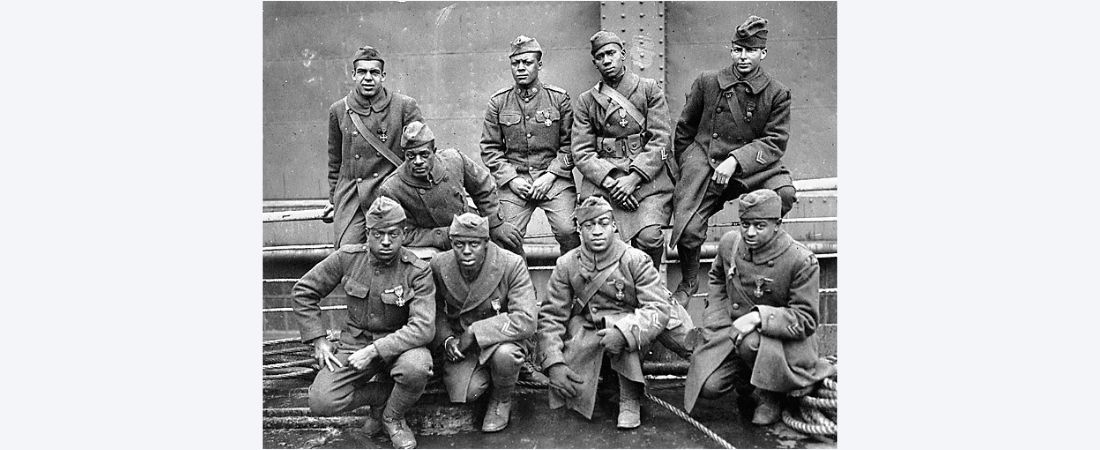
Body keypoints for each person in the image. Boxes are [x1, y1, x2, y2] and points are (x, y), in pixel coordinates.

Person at [668, 16, 797, 307]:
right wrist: (690, 165)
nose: (742, 57)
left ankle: (757, 262)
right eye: (737, 50)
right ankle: (689, 280)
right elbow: (684, 130)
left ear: (763, 53)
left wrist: (735, 161)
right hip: (707, 161)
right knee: (688, 229)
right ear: (731, 50)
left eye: (750, 51)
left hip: (753, 167)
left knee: (783, 194)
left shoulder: (776, 93)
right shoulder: (707, 82)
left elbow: (775, 141)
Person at [292, 196, 435, 449]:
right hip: (353, 345)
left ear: (404, 233)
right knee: (321, 401)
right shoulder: (348, 258)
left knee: (417, 367)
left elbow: (423, 328)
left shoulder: (417, 270)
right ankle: (381, 399)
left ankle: (393, 418)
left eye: (393, 234)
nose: (386, 241)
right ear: (368, 233)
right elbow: (304, 291)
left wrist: (375, 350)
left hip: (399, 348)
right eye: (378, 234)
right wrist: (319, 340)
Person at [683, 189, 835, 425]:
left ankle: (770, 396)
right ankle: (749, 384)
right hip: (733, 332)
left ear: (777, 224)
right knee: (709, 387)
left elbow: (805, 319)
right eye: (745, 224)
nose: (750, 232)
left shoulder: (800, 260)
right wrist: (716, 317)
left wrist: (758, 318)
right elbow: (716, 277)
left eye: (759, 225)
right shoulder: (730, 244)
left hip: (782, 342)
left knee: (750, 342)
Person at [536, 196, 671, 429]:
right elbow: (551, 316)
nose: (597, 231)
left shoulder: (635, 259)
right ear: (579, 230)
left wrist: (623, 333)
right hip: (588, 331)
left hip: (631, 329)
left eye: (603, 223)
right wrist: (554, 363)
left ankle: (630, 398)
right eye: (589, 225)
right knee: (572, 396)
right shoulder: (567, 263)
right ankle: (604, 386)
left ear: (614, 226)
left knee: (622, 327)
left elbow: (658, 308)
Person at [570, 30, 675, 267]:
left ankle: (649, 286)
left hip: (647, 180)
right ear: (594, 62)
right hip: (605, 183)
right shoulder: (587, 101)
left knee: (650, 238)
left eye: (611, 53)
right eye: (600, 56)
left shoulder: (649, 89)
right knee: (596, 238)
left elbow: (661, 140)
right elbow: (581, 151)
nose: (607, 60)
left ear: (622, 54)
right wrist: (613, 183)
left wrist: (633, 180)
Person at [429, 213, 538, 433]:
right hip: (463, 347)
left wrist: (476, 331)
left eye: (474, 244)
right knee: (469, 393)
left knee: (505, 356)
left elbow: (526, 319)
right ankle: (492, 377)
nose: (466, 251)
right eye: (459, 244)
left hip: (503, 340)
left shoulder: (510, 263)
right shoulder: (440, 264)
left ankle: (501, 399)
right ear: (452, 243)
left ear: (486, 243)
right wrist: (447, 339)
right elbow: (434, 311)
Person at [480, 35, 580, 255]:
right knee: (506, 236)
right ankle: (520, 287)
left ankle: (571, 286)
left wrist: (551, 175)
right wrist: (512, 179)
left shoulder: (559, 99)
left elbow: (571, 145)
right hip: (516, 181)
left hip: (554, 180)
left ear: (539, 65)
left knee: (568, 230)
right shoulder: (498, 102)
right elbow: (490, 149)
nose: (521, 68)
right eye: (516, 63)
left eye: (527, 62)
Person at [322, 45, 424, 247]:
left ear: (383, 76)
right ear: (353, 75)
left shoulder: (404, 106)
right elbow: (335, 162)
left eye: (374, 72)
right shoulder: (339, 110)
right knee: (347, 253)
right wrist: (334, 199)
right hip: (353, 198)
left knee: (392, 249)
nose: (368, 77)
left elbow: (422, 151)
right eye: (362, 72)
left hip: (392, 194)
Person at [377, 121, 524, 255]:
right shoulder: (392, 189)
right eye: (411, 156)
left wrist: (494, 223)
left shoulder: (454, 160)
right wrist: (444, 235)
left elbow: (483, 187)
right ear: (404, 155)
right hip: (435, 242)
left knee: (509, 242)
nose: (418, 161)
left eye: (424, 154)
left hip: (469, 227)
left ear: (434, 151)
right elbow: (403, 233)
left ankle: (522, 284)